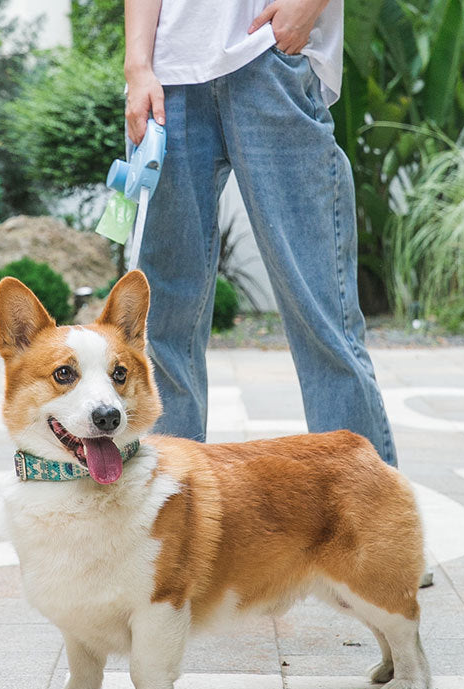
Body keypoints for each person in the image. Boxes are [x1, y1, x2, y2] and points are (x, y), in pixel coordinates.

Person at [124, 0, 397, 466]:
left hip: (269, 58)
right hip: (166, 77)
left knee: (322, 316)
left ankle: (370, 505)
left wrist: (306, 7)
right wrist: (138, 66)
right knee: (160, 327)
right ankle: (174, 504)